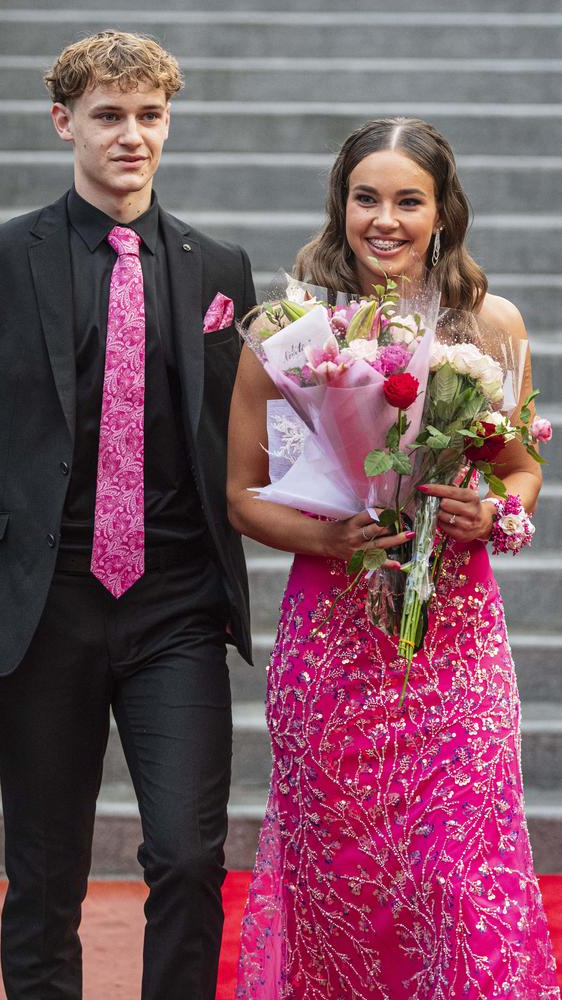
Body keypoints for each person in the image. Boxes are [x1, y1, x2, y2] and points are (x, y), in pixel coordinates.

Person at [0, 30, 256, 1000]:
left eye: (149, 116)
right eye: (109, 116)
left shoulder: (217, 268)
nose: (131, 136)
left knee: (189, 857)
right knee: (46, 877)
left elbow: (247, 444)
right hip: (40, 600)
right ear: (64, 121)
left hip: (175, 603)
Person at [228, 117, 559, 998]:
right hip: (333, 644)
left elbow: (523, 470)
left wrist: (486, 512)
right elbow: (243, 494)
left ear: (442, 211)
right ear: (339, 207)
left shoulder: (491, 325)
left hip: (453, 646)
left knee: (460, 879)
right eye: (365, 197)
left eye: (407, 199)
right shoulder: (290, 329)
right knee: (342, 882)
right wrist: (333, 537)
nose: (385, 219)